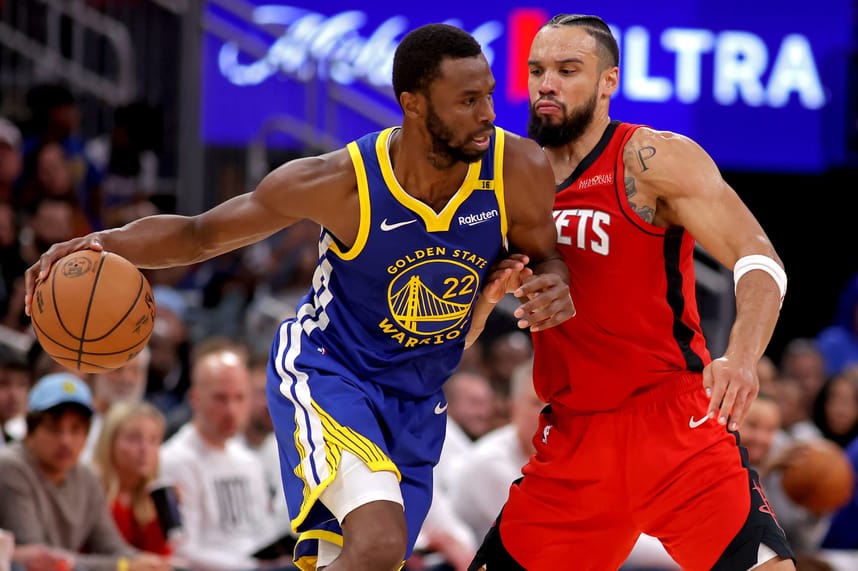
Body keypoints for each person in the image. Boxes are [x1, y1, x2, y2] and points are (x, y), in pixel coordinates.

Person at [25, 22, 574, 571]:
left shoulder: (516, 169)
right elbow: (200, 235)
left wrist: (553, 282)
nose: (487, 115)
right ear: (412, 105)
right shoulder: (341, 182)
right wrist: (100, 241)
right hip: (331, 373)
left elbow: (546, 258)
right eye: (468, 101)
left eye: (489, 96)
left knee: (367, 559)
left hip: (419, 396)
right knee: (378, 544)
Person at [469, 14, 795, 571]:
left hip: (675, 425)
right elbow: (464, 325)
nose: (547, 83)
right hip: (574, 438)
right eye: (537, 69)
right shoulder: (507, 179)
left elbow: (759, 257)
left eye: (568, 70)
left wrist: (741, 359)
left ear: (608, 82)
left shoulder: (649, 159)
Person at [0, 372, 171, 571]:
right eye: (54, 428)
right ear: (30, 432)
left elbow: (111, 546)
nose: (66, 441)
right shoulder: (11, 467)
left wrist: (149, 563)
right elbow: (38, 560)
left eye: (76, 430)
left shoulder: (86, 477)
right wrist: (124, 566)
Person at [91, 401, 172, 556]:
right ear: (110, 442)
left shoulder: (154, 497)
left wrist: (165, 513)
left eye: (153, 440)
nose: (145, 449)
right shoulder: (93, 490)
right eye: (134, 439)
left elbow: (161, 557)